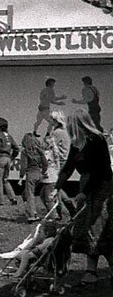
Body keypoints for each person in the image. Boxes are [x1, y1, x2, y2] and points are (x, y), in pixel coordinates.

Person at [56, 110, 113, 285]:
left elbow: (99, 170)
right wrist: (56, 187)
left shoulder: (97, 140)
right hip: (87, 184)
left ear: (78, 123)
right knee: (86, 229)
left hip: (102, 186)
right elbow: (68, 167)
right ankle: (91, 271)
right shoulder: (76, 143)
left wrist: (84, 192)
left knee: (99, 229)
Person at [19, 132, 47, 222]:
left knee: (30, 195)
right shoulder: (40, 152)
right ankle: (30, 210)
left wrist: (20, 177)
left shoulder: (25, 152)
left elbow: (23, 166)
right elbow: (45, 163)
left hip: (31, 174)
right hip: (39, 174)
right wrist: (43, 172)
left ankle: (32, 215)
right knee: (26, 193)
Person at [0, 117, 18, 206]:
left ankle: (0, 201)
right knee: (5, 179)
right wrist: (12, 157)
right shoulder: (9, 136)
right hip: (8, 159)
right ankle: (13, 198)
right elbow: (16, 148)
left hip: (1, 158)